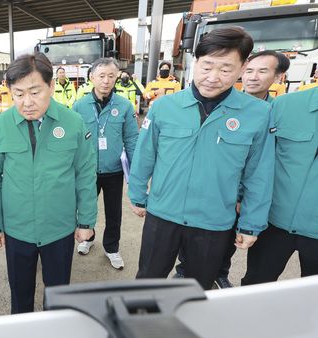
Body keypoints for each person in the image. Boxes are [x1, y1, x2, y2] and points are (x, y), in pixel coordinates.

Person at [128, 27, 275, 290]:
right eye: (206, 66)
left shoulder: (258, 114)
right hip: (163, 214)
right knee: (147, 283)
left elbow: (259, 173)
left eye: (225, 69)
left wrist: (251, 223)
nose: (213, 77)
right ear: (195, 63)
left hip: (213, 221)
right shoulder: (164, 106)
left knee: (197, 289)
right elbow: (144, 154)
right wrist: (137, 194)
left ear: (242, 68)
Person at [0, 53, 96, 314]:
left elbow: (85, 175)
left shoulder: (73, 123)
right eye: (18, 94)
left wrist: (86, 221)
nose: (27, 102)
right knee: (20, 293)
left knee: (58, 295)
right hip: (17, 229)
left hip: (59, 228)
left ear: (51, 86)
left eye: (35, 92)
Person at [174, 50, 290, 288]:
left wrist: (247, 200)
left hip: (256, 195)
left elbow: (262, 166)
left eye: (262, 71)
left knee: (230, 243)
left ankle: (219, 272)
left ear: (279, 77)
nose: (253, 77)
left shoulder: (279, 113)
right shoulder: (216, 104)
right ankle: (188, 270)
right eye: (249, 70)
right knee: (203, 238)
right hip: (219, 193)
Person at [242, 87, 317, 285]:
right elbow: (255, 159)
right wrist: (243, 198)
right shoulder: (285, 105)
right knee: (255, 287)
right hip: (274, 221)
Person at [72, 58, 138, 270]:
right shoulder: (80, 106)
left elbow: (132, 139)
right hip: (87, 170)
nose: (106, 81)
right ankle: (87, 238)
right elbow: (72, 140)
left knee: (113, 212)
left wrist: (136, 170)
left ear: (117, 76)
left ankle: (111, 247)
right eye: (101, 76)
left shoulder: (124, 105)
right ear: (92, 78)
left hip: (114, 171)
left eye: (111, 75)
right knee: (85, 207)